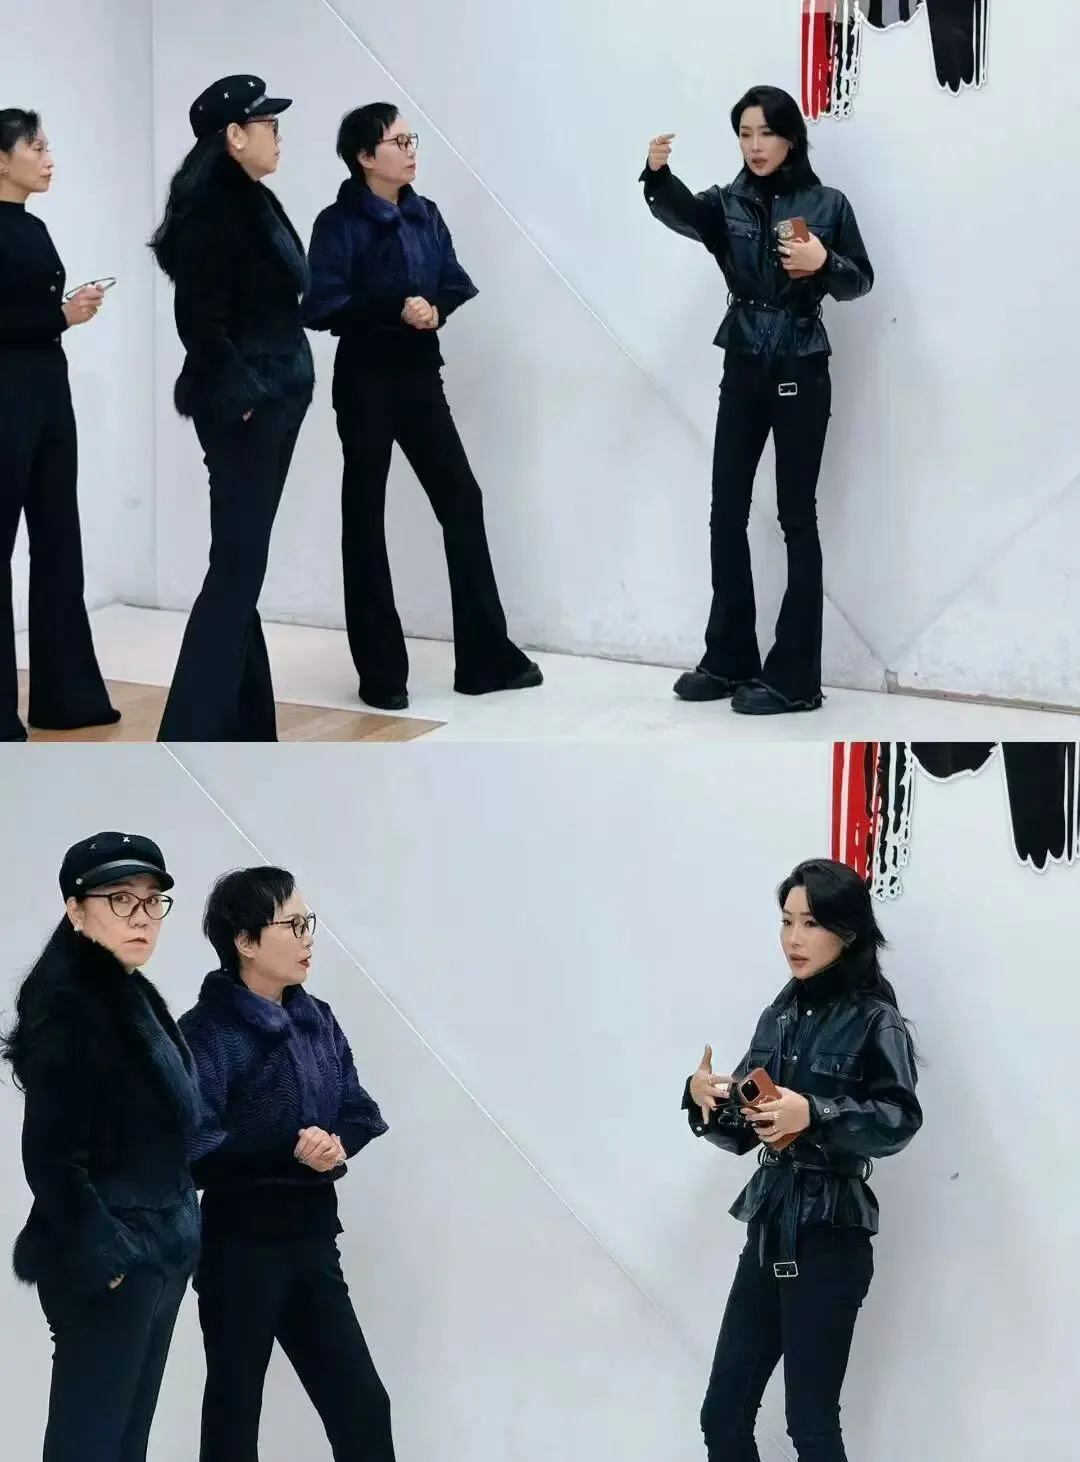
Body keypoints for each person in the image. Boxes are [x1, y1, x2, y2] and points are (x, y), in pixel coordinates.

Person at [642, 86, 874, 716]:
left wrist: (823, 261)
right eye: (744, 134)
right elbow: (684, 214)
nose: (754, 145)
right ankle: (729, 658)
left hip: (801, 364)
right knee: (726, 510)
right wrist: (657, 177)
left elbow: (860, 280)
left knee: (797, 516)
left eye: (765, 132)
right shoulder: (728, 202)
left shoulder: (827, 204)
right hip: (743, 362)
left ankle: (795, 678)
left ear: (790, 137)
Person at [683, 857, 921, 1462]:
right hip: (770, 1225)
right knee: (723, 1417)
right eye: (786, 921)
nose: (793, 938)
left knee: (810, 1426)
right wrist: (704, 1100)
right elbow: (744, 1130)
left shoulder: (875, 1019)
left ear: (847, 931)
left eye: (811, 923)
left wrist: (815, 1112)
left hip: (831, 1234)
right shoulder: (779, 1015)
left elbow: (899, 1119)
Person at [304, 102, 540, 711]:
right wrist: (394, 306)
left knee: (462, 500)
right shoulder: (338, 223)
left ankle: (486, 660)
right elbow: (320, 305)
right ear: (365, 156)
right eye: (398, 142)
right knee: (365, 516)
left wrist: (435, 309)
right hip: (364, 380)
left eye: (413, 141)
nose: (411, 151)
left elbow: (453, 281)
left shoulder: (425, 213)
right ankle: (381, 674)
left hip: (419, 377)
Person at [178, 865, 396, 1462]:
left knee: (362, 1408)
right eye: (291, 925)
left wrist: (334, 1144)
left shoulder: (316, 1018)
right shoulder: (205, 1032)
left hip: (313, 1240)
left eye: (308, 923)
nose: (308, 938)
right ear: (244, 941)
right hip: (239, 1249)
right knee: (234, 1419)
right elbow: (193, 1149)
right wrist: (291, 1148)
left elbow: (360, 1110)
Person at [0, 832, 201, 1462]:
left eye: (152, 901)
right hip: (111, 1262)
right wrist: (109, 1254)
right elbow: (51, 1159)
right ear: (75, 908)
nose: (141, 917)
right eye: (120, 899)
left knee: (124, 1445)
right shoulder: (71, 1008)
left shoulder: (128, 993)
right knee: (87, 1447)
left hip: (157, 1254)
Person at [149, 75, 314, 741]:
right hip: (249, 405)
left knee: (242, 566)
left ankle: (247, 728)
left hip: (276, 396)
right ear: (235, 136)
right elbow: (198, 321)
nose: (278, 135)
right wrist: (246, 398)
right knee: (236, 571)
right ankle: (189, 734)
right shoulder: (215, 209)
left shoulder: (250, 197)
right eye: (267, 124)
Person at [0, 109, 120, 742]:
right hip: (6, 395)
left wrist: (65, 312)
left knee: (57, 540)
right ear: (1, 159)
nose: (48, 158)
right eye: (36, 147)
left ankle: (66, 697)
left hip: (48, 389)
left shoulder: (35, 225)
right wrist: (61, 316)